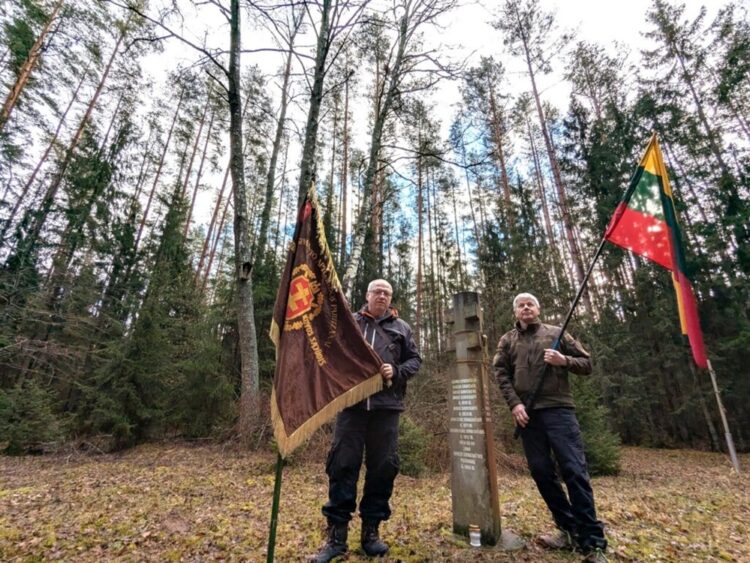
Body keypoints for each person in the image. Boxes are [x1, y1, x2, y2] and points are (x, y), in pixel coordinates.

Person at [310, 279, 422, 562]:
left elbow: (415, 361)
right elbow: (331, 354)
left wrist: (395, 371)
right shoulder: (350, 323)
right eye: (377, 291)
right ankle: (336, 538)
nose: (382, 295)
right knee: (342, 465)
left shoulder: (402, 328)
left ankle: (371, 533)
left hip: (387, 408)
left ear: (391, 299)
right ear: (367, 295)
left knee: (383, 469)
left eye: (387, 293)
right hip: (352, 407)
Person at [492, 292, 608, 563]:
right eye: (520, 305)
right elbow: (501, 374)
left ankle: (592, 542)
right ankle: (568, 529)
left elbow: (587, 363)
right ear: (515, 312)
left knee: (574, 471)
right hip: (528, 416)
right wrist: (515, 405)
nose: (525, 308)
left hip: (560, 412)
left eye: (530, 304)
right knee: (542, 473)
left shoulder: (558, 332)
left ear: (538, 308)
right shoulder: (507, 340)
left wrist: (563, 360)